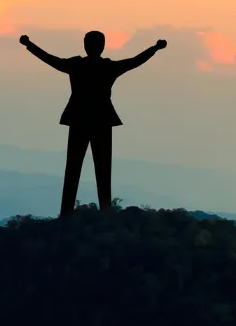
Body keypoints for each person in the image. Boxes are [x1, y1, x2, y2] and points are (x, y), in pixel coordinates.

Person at [20, 31, 167, 216]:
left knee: (73, 170)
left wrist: (29, 45)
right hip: (102, 121)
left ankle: (67, 214)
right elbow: (134, 61)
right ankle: (104, 212)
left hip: (79, 120)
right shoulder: (108, 67)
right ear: (103, 46)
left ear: (85, 45)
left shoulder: (77, 65)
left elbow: (51, 60)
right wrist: (154, 49)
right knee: (103, 171)